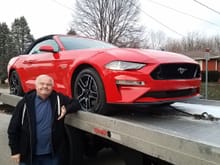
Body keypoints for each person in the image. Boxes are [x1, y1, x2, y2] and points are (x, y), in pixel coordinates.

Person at [7, 74, 81, 165]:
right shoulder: (25, 103)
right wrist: (15, 151)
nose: (45, 86)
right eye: (42, 84)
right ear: (36, 85)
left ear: (52, 87)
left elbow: (77, 104)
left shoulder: (58, 98)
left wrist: (67, 109)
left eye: (48, 84)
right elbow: (13, 128)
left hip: (52, 155)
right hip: (29, 155)